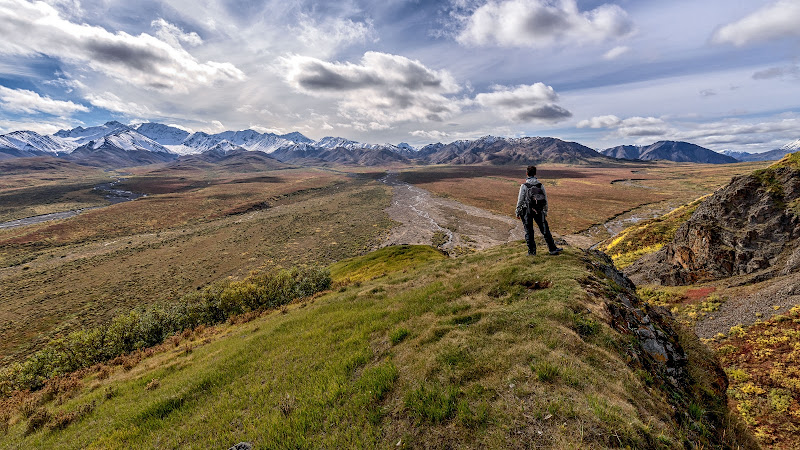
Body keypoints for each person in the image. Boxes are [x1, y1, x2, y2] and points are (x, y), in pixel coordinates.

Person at [515, 165, 562, 256]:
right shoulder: (540, 185)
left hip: (527, 211)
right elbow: (545, 200)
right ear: (535, 173)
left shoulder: (524, 186)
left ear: (527, 173)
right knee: (545, 230)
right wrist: (545, 211)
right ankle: (552, 249)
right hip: (539, 211)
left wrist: (517, 211)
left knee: (529, 231)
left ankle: (532, 252)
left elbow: (520, 200)